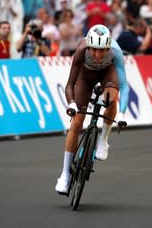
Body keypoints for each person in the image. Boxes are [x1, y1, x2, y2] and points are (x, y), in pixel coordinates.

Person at [55, 24, 128, 194]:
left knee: (110, 99)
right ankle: (65, 175)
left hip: (107, 73)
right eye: (94, 50)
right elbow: (70, 84)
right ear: (88, 46)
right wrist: (72, 103)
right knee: (76, 123)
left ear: (108, 47)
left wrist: (122, 113)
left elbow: (124, 86)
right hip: (84, 77)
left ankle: (103, 140)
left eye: (102, 50)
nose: (97, 55)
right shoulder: (81, 50)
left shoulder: (116, 52)